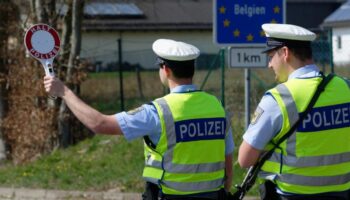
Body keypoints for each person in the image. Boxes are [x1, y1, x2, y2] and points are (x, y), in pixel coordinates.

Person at [44, 39, 234, 200]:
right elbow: (227, 156)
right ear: (192, 69)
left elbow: (99, 124)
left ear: (165, 70)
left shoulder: (159, 111)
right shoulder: (216, 107)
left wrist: (64, 92)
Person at [238, 23, 350, 200]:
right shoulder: (345, 87)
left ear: (285, 53)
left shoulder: (278, 98)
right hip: (342, 193)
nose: (269, 65)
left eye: (271, 56)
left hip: (293, 195)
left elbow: (245, 159)